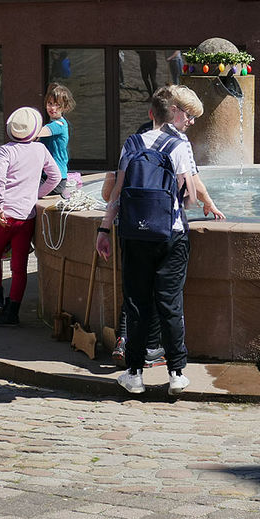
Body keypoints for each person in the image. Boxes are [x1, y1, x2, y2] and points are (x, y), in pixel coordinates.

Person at [96, 88, 197, 396]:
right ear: (175, 114)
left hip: (134, 234)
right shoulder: (179, 146)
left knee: (137, 304)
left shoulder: (131, 144)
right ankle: (177, 373)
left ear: (151, 113)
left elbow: (116, 192)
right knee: (169, 302)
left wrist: (103, 229)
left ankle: (135, 374)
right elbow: (191, 197)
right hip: (171, 236)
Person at [0, 107, 61, 327]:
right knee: (19, 266)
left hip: (6, 213)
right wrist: (36, 194)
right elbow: (54, 177)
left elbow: (0, 179)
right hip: (27, 216)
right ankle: (12, 311)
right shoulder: (40, 149)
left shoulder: (5, 151)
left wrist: (0, 205)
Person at [37, 83, 75, 198]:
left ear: (65, 107)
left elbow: (36, 133)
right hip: (46, 174)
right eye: (50, 104)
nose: (53, 108)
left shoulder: (59, 125)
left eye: (57, 105)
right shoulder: (52, 124)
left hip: (55, 178)